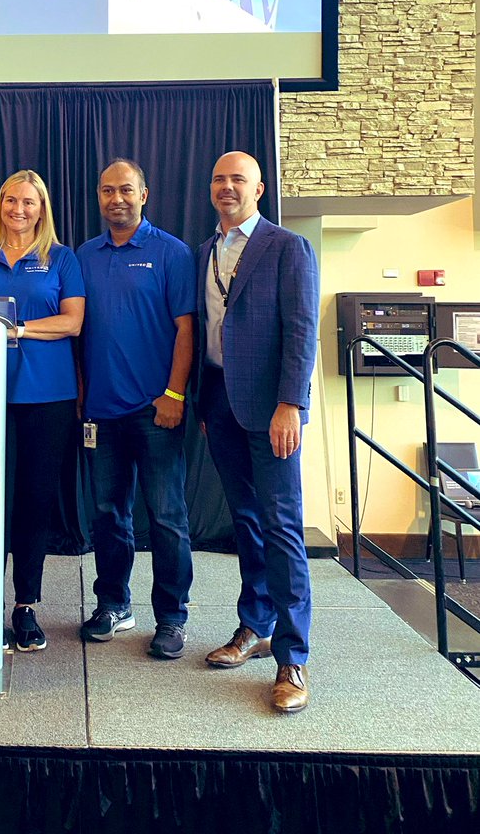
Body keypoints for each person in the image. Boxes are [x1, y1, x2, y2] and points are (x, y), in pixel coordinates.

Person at [194, 150, 319, 713]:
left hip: (272, 410)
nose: (227, 187)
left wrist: (291, 403)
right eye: (219, 178)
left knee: (282, 526)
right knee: (245, 521)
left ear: (258, 188)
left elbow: (302, 330)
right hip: (219, 402)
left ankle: (293, 659)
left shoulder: (286, 247)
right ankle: (255, 626)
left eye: (237, 179)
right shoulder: (207, 251)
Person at [0, 169, 85, 652]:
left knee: (34, 503)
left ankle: (26, 606)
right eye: (11, 201)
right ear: (0, 205)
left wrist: (19, 329)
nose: (19, 210)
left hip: (47, 398)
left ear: (42, 208)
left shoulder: (61, 258)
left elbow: (73, 322)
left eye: (29, 203)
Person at [77, 158, 196, 660]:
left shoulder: (172, 253)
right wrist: (83, 398)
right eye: (107, 191)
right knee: (108, 516)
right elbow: (78, 332)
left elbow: (187, 330)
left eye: (126, 190)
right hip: (101, 413)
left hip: (156, 411)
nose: (116, 199)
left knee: (166, 518)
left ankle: (171, 618)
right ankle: (114, 604)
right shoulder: (84, 255)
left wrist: (173, 396)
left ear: (143, 195)